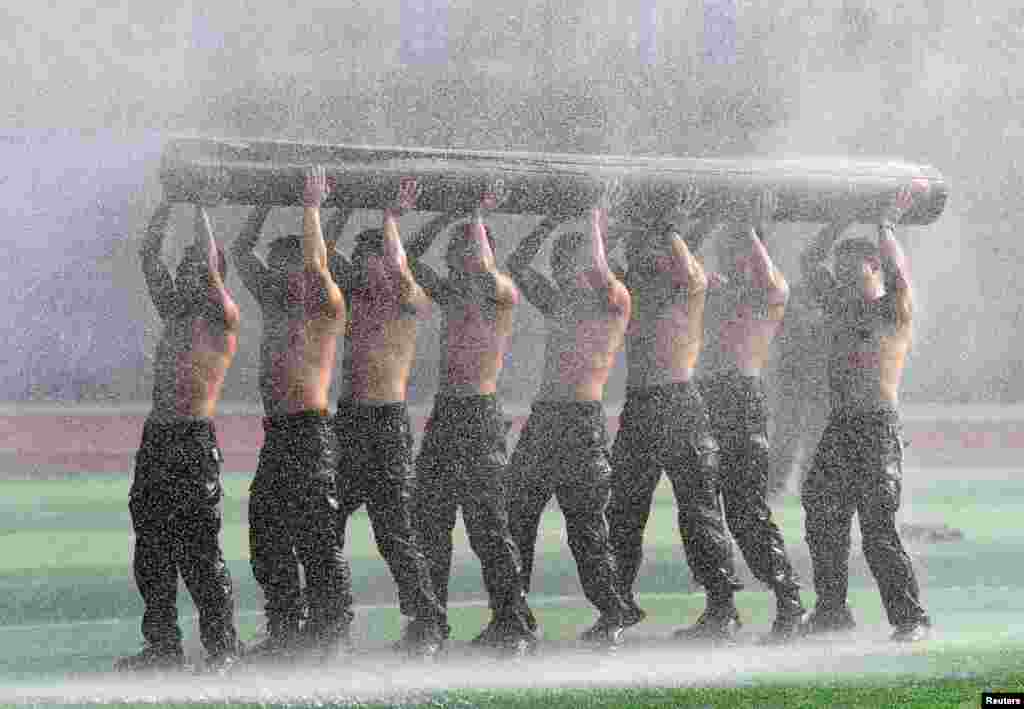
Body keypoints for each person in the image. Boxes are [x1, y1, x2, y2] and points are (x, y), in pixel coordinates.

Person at [605, 186, 744, 643]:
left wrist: (668, 228)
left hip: (679, 404)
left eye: (651, 250)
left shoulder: (689, 286)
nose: (643, 255)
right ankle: (618, 605)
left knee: (699, 511)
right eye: (639, 250)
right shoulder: (631, 290)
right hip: (641, 405)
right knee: (624, 511)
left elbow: (685, 265)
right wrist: (615, 228)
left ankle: (722, 609)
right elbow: (600, 265)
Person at [404, 186, 535, 657]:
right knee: (430, 519)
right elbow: (410, 258)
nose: (457, 259)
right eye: (454, 253)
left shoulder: (501, 292)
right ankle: (431, 625)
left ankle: (514, 625)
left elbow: (482, 266)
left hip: (480, 414)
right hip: (447, 412)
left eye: (464, 251)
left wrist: (476, 211)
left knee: (488, 527)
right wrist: (446, 217)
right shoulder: (451, 293)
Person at [800, 186, 931, 642]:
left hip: (876, 428)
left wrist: (885, 223)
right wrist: (838, 218)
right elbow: (807, 263)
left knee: (877, 530)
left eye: (849, 268)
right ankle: (832, 609)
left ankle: (910, 619)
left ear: (873, 266)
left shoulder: (893, 310)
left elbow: (900, 273)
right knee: (821, 511)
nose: (839, 275)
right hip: (841, 429)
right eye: (838, 270)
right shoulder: (839, 305)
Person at [230, 167, 351, 664]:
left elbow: (318, 262)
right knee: (267, 527)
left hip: (312, 431)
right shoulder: (277, 301)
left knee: (317, 536)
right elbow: (241, 253)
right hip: (279, 433)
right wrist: (261, 200)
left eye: (291, 266)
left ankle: (332, 635)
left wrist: (310, 206)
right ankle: (286, 629)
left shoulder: (325, 303)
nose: (281, 276)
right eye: (277, 268)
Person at [504, 182, 632, 651]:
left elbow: (599, 269)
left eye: (569, 265)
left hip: (581, 424)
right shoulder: (559, 303)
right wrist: (550, 223)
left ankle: (613, 612)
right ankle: (514, 615)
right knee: (516, 516)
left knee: (586, 529)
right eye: (559, 265)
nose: (561, 272)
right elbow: (517, 265)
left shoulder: (613, 300)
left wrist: (595, 222)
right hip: (544, 421)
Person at [117, 199, 242, 674]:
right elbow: (149, 255)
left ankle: (224, 649)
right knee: (151, 547)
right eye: (186, 267)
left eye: (196, 266)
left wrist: (199, 207)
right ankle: (163, 646)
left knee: (200, 551)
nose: (188, 272)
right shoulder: (173, 311)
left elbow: (211, 267)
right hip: (158, 440)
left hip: (192, 442)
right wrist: (169, 204)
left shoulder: (222, 316)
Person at [332, 178, 447, 660]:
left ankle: (428, 622)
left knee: (394, 529)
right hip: (349, 420)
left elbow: (402, 268)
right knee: (326, 519)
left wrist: (391, 217)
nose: (358, 265)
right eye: (356, 259)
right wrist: (329, 208)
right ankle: (331, 619)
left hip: (386, 424)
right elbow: (326, 258)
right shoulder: (354, 296)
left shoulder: (408, 297)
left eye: (367, 256)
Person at [697, 190, 807, 643]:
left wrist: (745, 225)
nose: (730, 258)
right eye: (727, 251)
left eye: (738, 251)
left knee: (745, 514)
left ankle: (790, 602)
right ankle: (721, 607)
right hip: (704, 398)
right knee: (703, 512)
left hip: (742, 399)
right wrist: (700, 222)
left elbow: (766, 273)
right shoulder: (714, 289)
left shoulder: (770, 291)